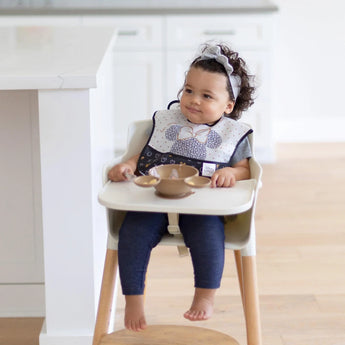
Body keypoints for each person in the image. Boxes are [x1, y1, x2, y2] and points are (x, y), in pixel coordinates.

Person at [107, 42, 256, 332]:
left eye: (206, 95)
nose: (193, 100)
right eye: (189, 90)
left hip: (201, 207)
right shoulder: (167, 122)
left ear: (228, 106)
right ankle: (133, 301)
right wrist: (126, 165)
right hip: (154, 198)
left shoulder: (231, 134)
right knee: (132, 233)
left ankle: (205, 297)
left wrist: (231, 174)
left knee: (208, 236)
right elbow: (147, 156)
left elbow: (246, 167)